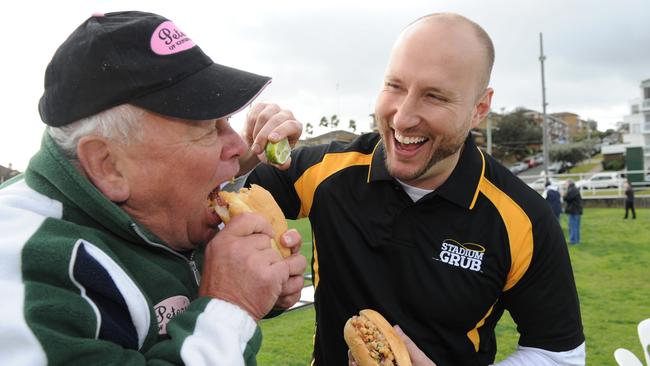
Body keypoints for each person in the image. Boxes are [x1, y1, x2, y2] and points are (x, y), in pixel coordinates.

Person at [242, 13, 585, 366]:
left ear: (479, 108)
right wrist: (245, 148)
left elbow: (560, 354)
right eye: (395, 86)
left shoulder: (523, 219)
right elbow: (218, 199)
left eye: (434, 96)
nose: (403, 118)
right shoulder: (326, 170)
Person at [0, 11, 306, 365]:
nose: (239, 146)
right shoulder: (22, 274)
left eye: (227, 122)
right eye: (206, 128)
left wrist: (259, 290)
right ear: (108, 165)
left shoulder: (155, 213)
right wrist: (230, 307)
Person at [564, 180, 583, 244]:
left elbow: (567, 198)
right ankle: (577, 240)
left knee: (572, 226)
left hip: (574, 211)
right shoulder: (575, 189)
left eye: (565, 184)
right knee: (576, 227)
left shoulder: (571, 190)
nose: (565, 185)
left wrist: (563, 195)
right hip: (577, 210)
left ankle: (573, 241)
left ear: (569, 183)